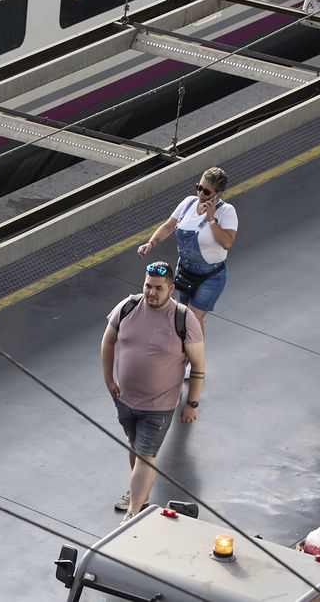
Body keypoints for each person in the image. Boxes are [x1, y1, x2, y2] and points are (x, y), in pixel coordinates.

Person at [101, 262, 205, 524]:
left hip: (159, 406)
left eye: (158, 288)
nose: (151, 292)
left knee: (146, 454)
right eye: (148, 286)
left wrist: (192, 402)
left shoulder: (184, 319)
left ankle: (133, 512)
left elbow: (198, 365)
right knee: (135, 446)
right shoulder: (127, 307)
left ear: (171, 288)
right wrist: (108, 380)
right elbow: (108, 341)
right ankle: (141, 495)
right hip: (125, 399)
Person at [136, 167, 238, 331]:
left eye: (206, 191)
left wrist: (211, 219)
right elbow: (169, 226)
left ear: (217, 194)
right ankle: (193, 355)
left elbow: (227, 243)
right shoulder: (188, 203)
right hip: (184, 271)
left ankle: (191, 356)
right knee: (187, 320)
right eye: (199, 187)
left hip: (209, 276)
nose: (200, 194)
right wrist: (151, 243)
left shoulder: (226, 211)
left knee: (190, 320)